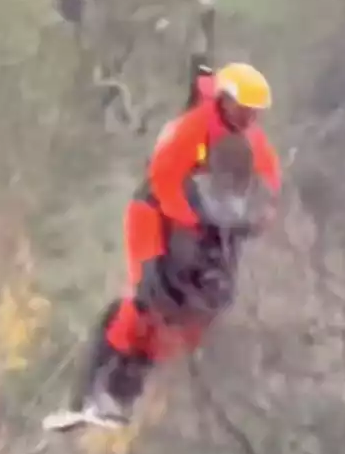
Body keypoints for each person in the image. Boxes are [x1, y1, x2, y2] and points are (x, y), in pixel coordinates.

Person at [66, 62, 281, 426]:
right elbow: (164, 181)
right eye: (243, 109)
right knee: (146, 297)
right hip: (155, 217)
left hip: (210, 230)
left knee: (197, 314)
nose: (248, 117)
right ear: (225, 101)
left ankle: (128, 384)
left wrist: (257, 217)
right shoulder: (193, 128)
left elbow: (269, 181)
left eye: (254, 112)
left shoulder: (252, 140)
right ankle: (96, 383)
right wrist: (195, 220)